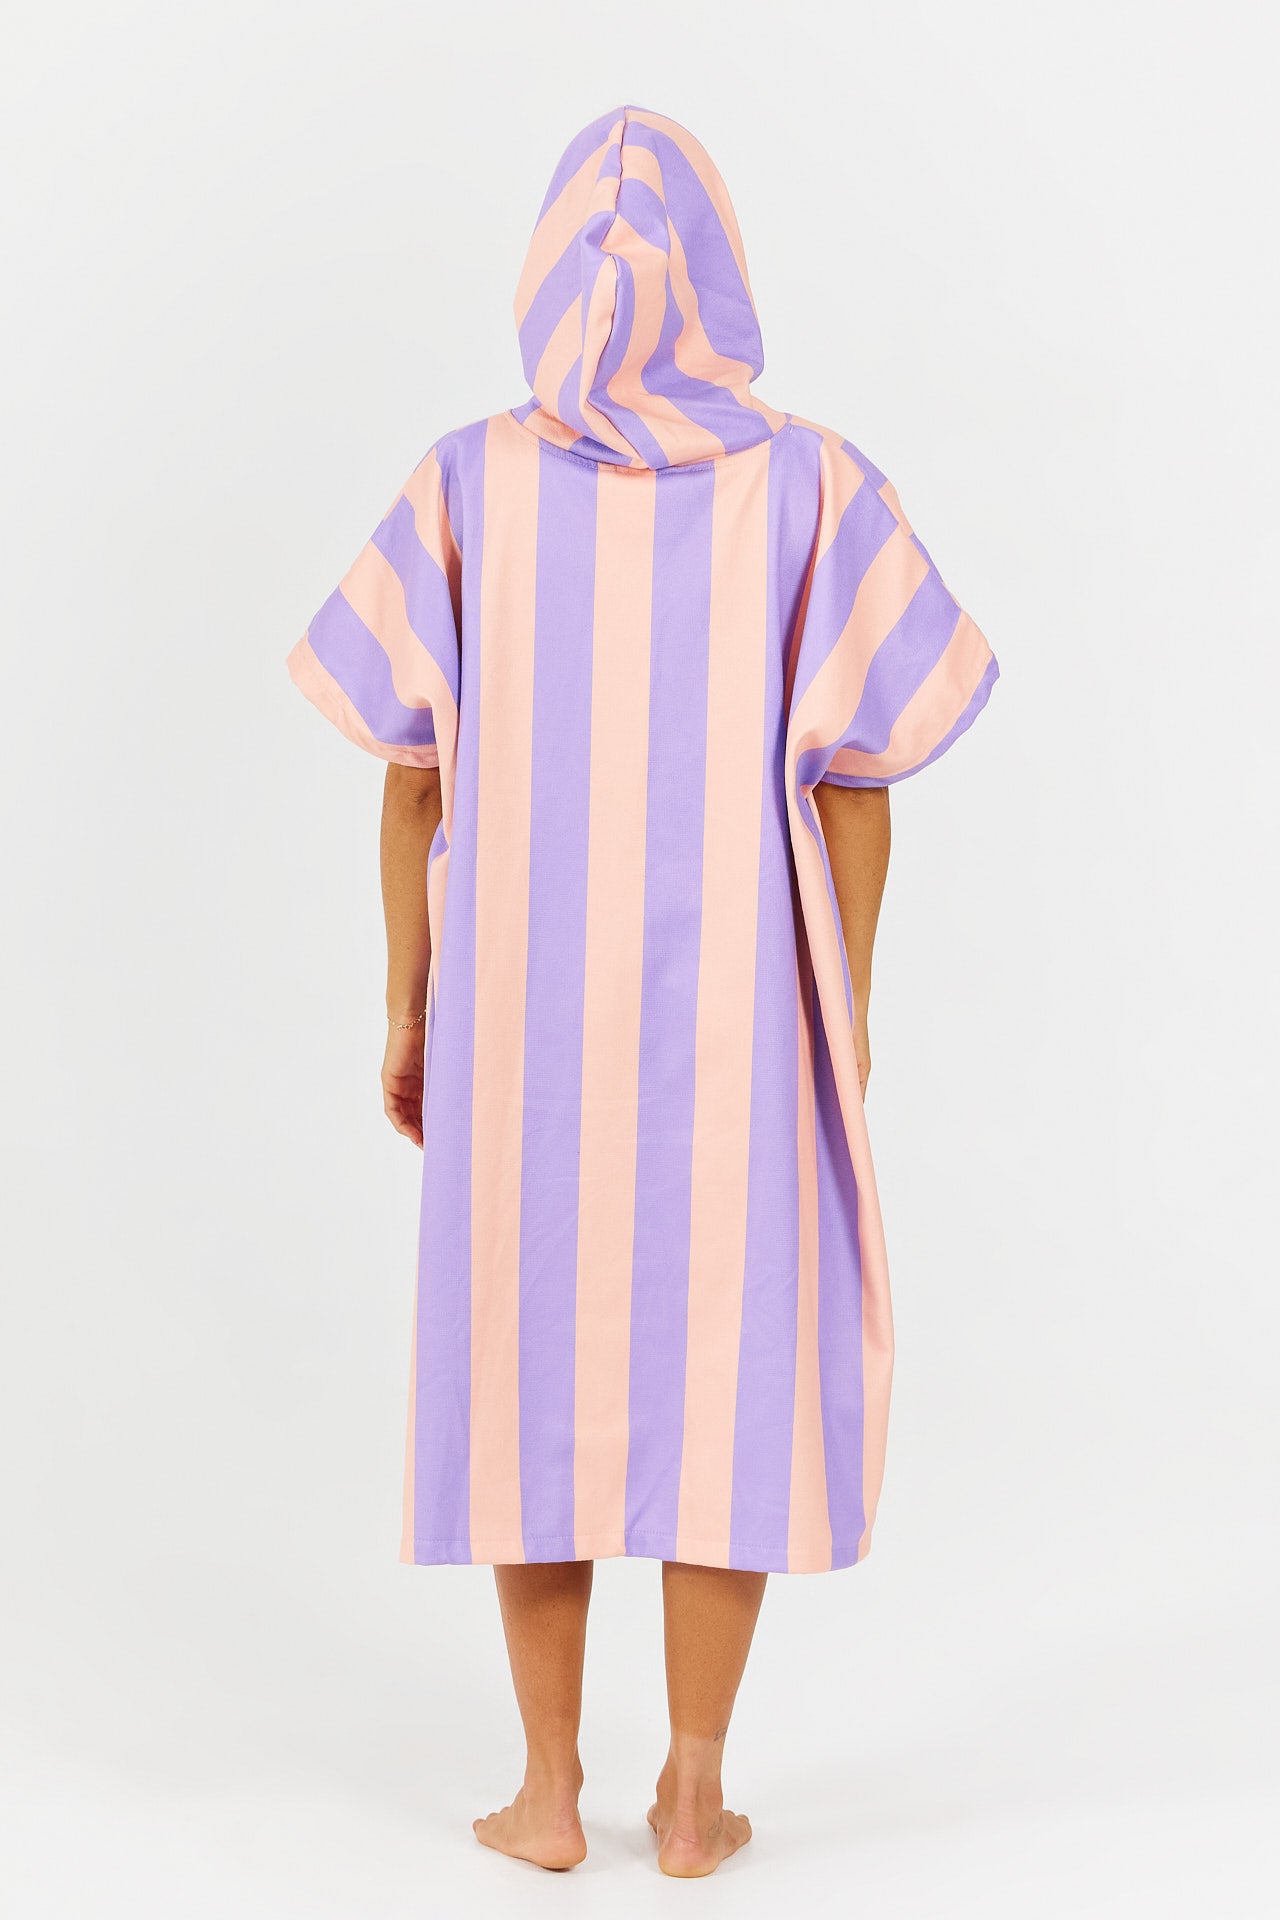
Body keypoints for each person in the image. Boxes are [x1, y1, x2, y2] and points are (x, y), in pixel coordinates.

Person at [287, 104, 998, 1878]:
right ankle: (691, 1791)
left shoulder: (468, 480)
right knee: (720, 1374)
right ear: (728, 277)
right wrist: (848, 1015)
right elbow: (859, 788)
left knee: (530, 1362)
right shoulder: (814, 485)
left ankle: (545, 1791)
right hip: (735, 1024)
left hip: (520, 1027)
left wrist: (409, 1007)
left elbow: (412, 779)